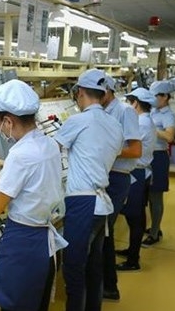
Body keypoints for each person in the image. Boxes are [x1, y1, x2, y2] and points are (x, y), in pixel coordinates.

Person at [0, 79, 66, 311]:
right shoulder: (49, 144)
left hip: (22, 245)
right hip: (42, 246)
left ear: (8, 121)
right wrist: (3, 163)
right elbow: (34, 174)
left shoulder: (19, 155)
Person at [54, 69, 123, 311]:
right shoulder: (114, 124)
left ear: (80, 92)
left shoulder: (78, 121)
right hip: (102, 204)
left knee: (73, 270)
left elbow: (48, 152)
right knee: (94, 268)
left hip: (83, 203)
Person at [100, 76, 142, 301]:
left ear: (108, 91)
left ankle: (109, 286)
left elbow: (135, 150)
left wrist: (109, 151)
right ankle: (107, 284)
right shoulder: (102, 111)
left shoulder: (125, 111)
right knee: (104, 231)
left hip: (117, 179)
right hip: (105, 177)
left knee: (104, 230)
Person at [116, 88, 158, 271]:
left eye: (129, 102)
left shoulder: (141, 123)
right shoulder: (146, 120)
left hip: (136, 175)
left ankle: (133, 260)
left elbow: (130, 149)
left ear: (135, 103)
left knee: (135, 218)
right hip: (142, 173)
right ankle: (132, 252)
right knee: (137, 216)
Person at [143, 80, 175, 247]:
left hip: (158, 157)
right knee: (148, 195)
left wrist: (150, 128)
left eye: (155, 96)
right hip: (147, 156)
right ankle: (154, 226)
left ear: (164, 97)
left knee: (156, 196)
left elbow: (170, 137)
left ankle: (155, 233)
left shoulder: (168, 115)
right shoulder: (152, 111)